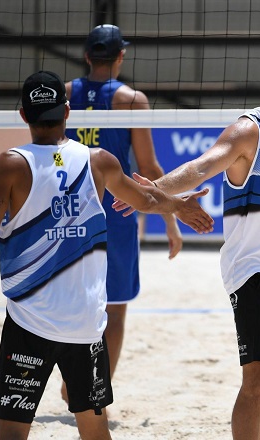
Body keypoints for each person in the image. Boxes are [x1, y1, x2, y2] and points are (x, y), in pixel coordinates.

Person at [0, 70, 213, 440]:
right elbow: (148, 198)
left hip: (29, 324)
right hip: (85, 325)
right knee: (94, 429)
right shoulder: (100, 161)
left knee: (11, 430)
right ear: (68, 112)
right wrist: (178, 207)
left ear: (23, 114)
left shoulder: (8, 165)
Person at [116, 55, 260, 440]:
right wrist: (151, 191)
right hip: (254, 272)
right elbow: (200, 167)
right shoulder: (247, 131)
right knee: (258, 377)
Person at [62, 24, 184, 402]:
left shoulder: (64, 94)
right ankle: (93, 392)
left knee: (67, 306)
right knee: (113, 312)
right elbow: (149, 168)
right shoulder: (133, 100)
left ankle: (70, 382)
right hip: (115, 214)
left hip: (67, 212)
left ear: (86, 57)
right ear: (120, 57)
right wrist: (170, 220)